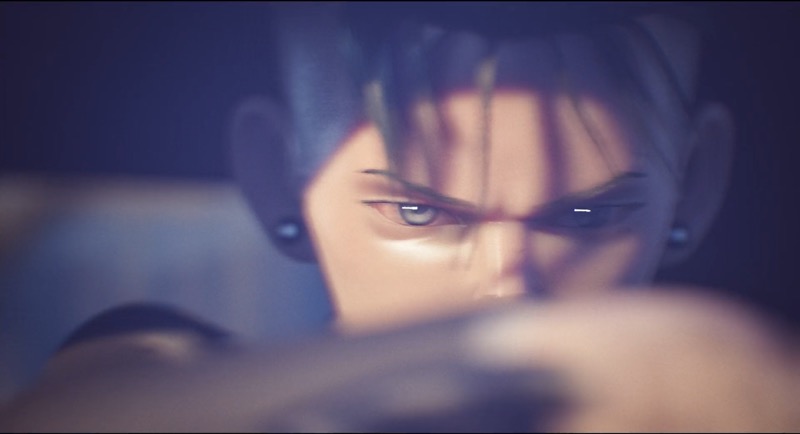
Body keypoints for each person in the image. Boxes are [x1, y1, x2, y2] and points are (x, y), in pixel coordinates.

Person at [1, 2, 797, 431]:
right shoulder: (167, 367)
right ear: (276, 176)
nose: (508, 287)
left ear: (698, 183)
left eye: (589, 213)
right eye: (418, 211)